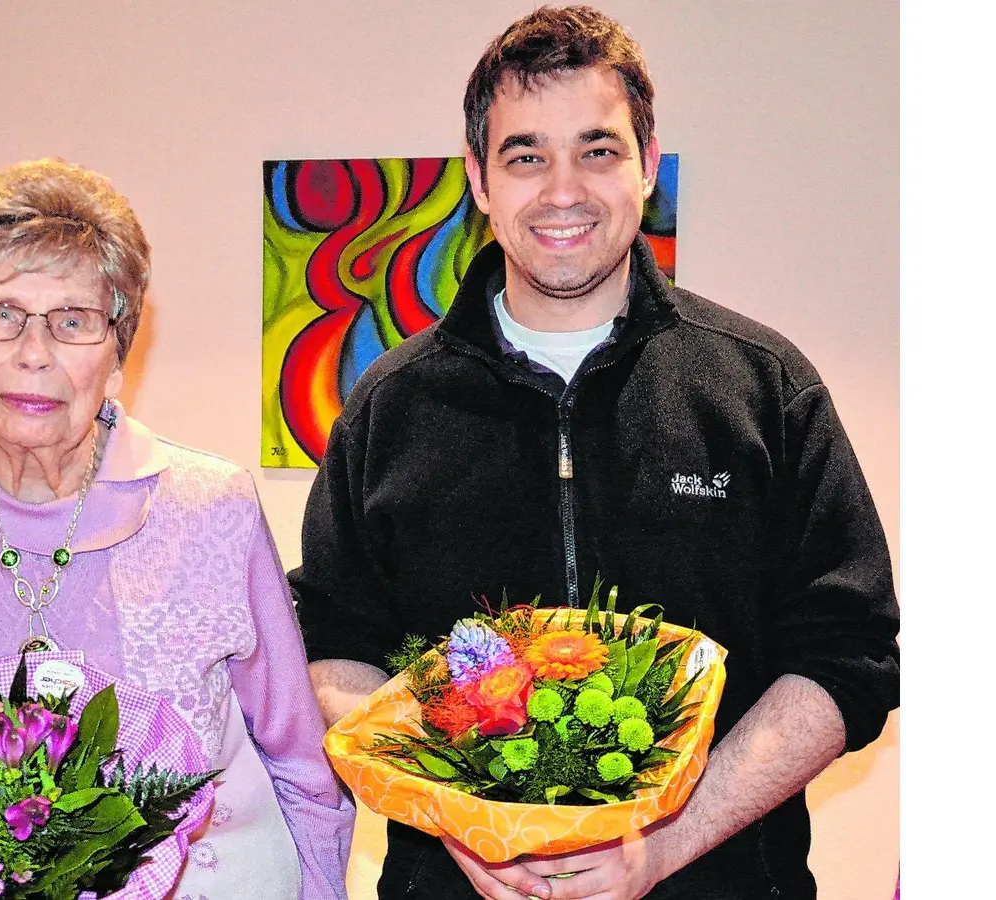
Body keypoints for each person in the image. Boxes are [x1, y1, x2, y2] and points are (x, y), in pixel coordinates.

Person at [290, 6, 899, 900]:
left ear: (648, 167)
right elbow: (334, 650)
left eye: (598, 149)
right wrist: (463, 818)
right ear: (480, 181)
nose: (562, 189)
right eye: (526, 155)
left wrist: (668, 841)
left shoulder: (762, 386)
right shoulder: (391, 406)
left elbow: (848, 658)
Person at [0, 158, 355, 899]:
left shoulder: (212, 507)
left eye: (72, 321)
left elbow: (303, 767)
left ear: (116, 353)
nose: (34, 353)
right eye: (0, 314)